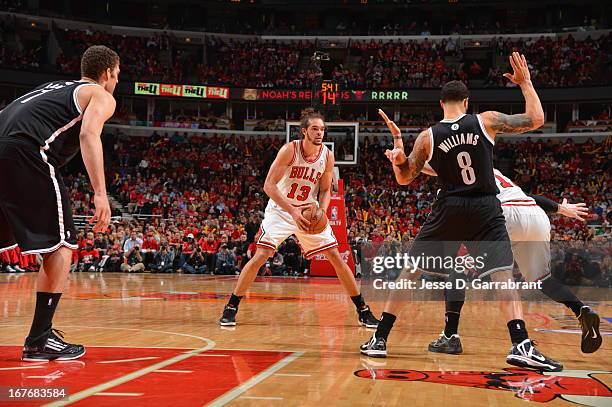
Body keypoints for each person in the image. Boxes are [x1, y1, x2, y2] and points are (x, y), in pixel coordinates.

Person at [361, 53, 562, 371]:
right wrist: (526, 83)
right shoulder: (487, 120)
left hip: (449, 208)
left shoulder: (428, 137)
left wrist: (399, 158)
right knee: (501, 275)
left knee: (412, 271)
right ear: (466, 103)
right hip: (484, 205)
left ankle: (380, 339)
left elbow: (404, 179)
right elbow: (536, 119)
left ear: (441, 104)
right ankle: (520, 344)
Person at [0, 45, 119, 361]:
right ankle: (39, 339)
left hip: (4, 146)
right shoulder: (100, 94)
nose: (116, 82)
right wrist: (100, 192)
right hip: (26, 152)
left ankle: (42, 336)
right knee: (62, 246)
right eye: (117, 76)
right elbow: (88, 136)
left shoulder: (49, 88)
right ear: (108, 73)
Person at [219, 109, 379, 327]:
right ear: (304, 131)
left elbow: (325, 191)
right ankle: (231, 306)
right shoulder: (289, 150)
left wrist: (322, 211)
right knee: (261, 254)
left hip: (308, 211)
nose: (319, 132)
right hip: (282, 210)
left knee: (335, 255)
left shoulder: (327, 156)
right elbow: (269, 186)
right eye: (315, 128)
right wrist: (292, 211)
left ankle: (363, 309)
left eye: (322, 129)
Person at [421, 167, 602, 355]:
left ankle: (450, 336)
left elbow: (430, 167)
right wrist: (560, 208)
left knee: (457, 269)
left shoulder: (458, 176)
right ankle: (581, 310)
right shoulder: (491, 169)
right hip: (535, 214)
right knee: (542, 279)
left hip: (502, 215)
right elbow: (528, 196)